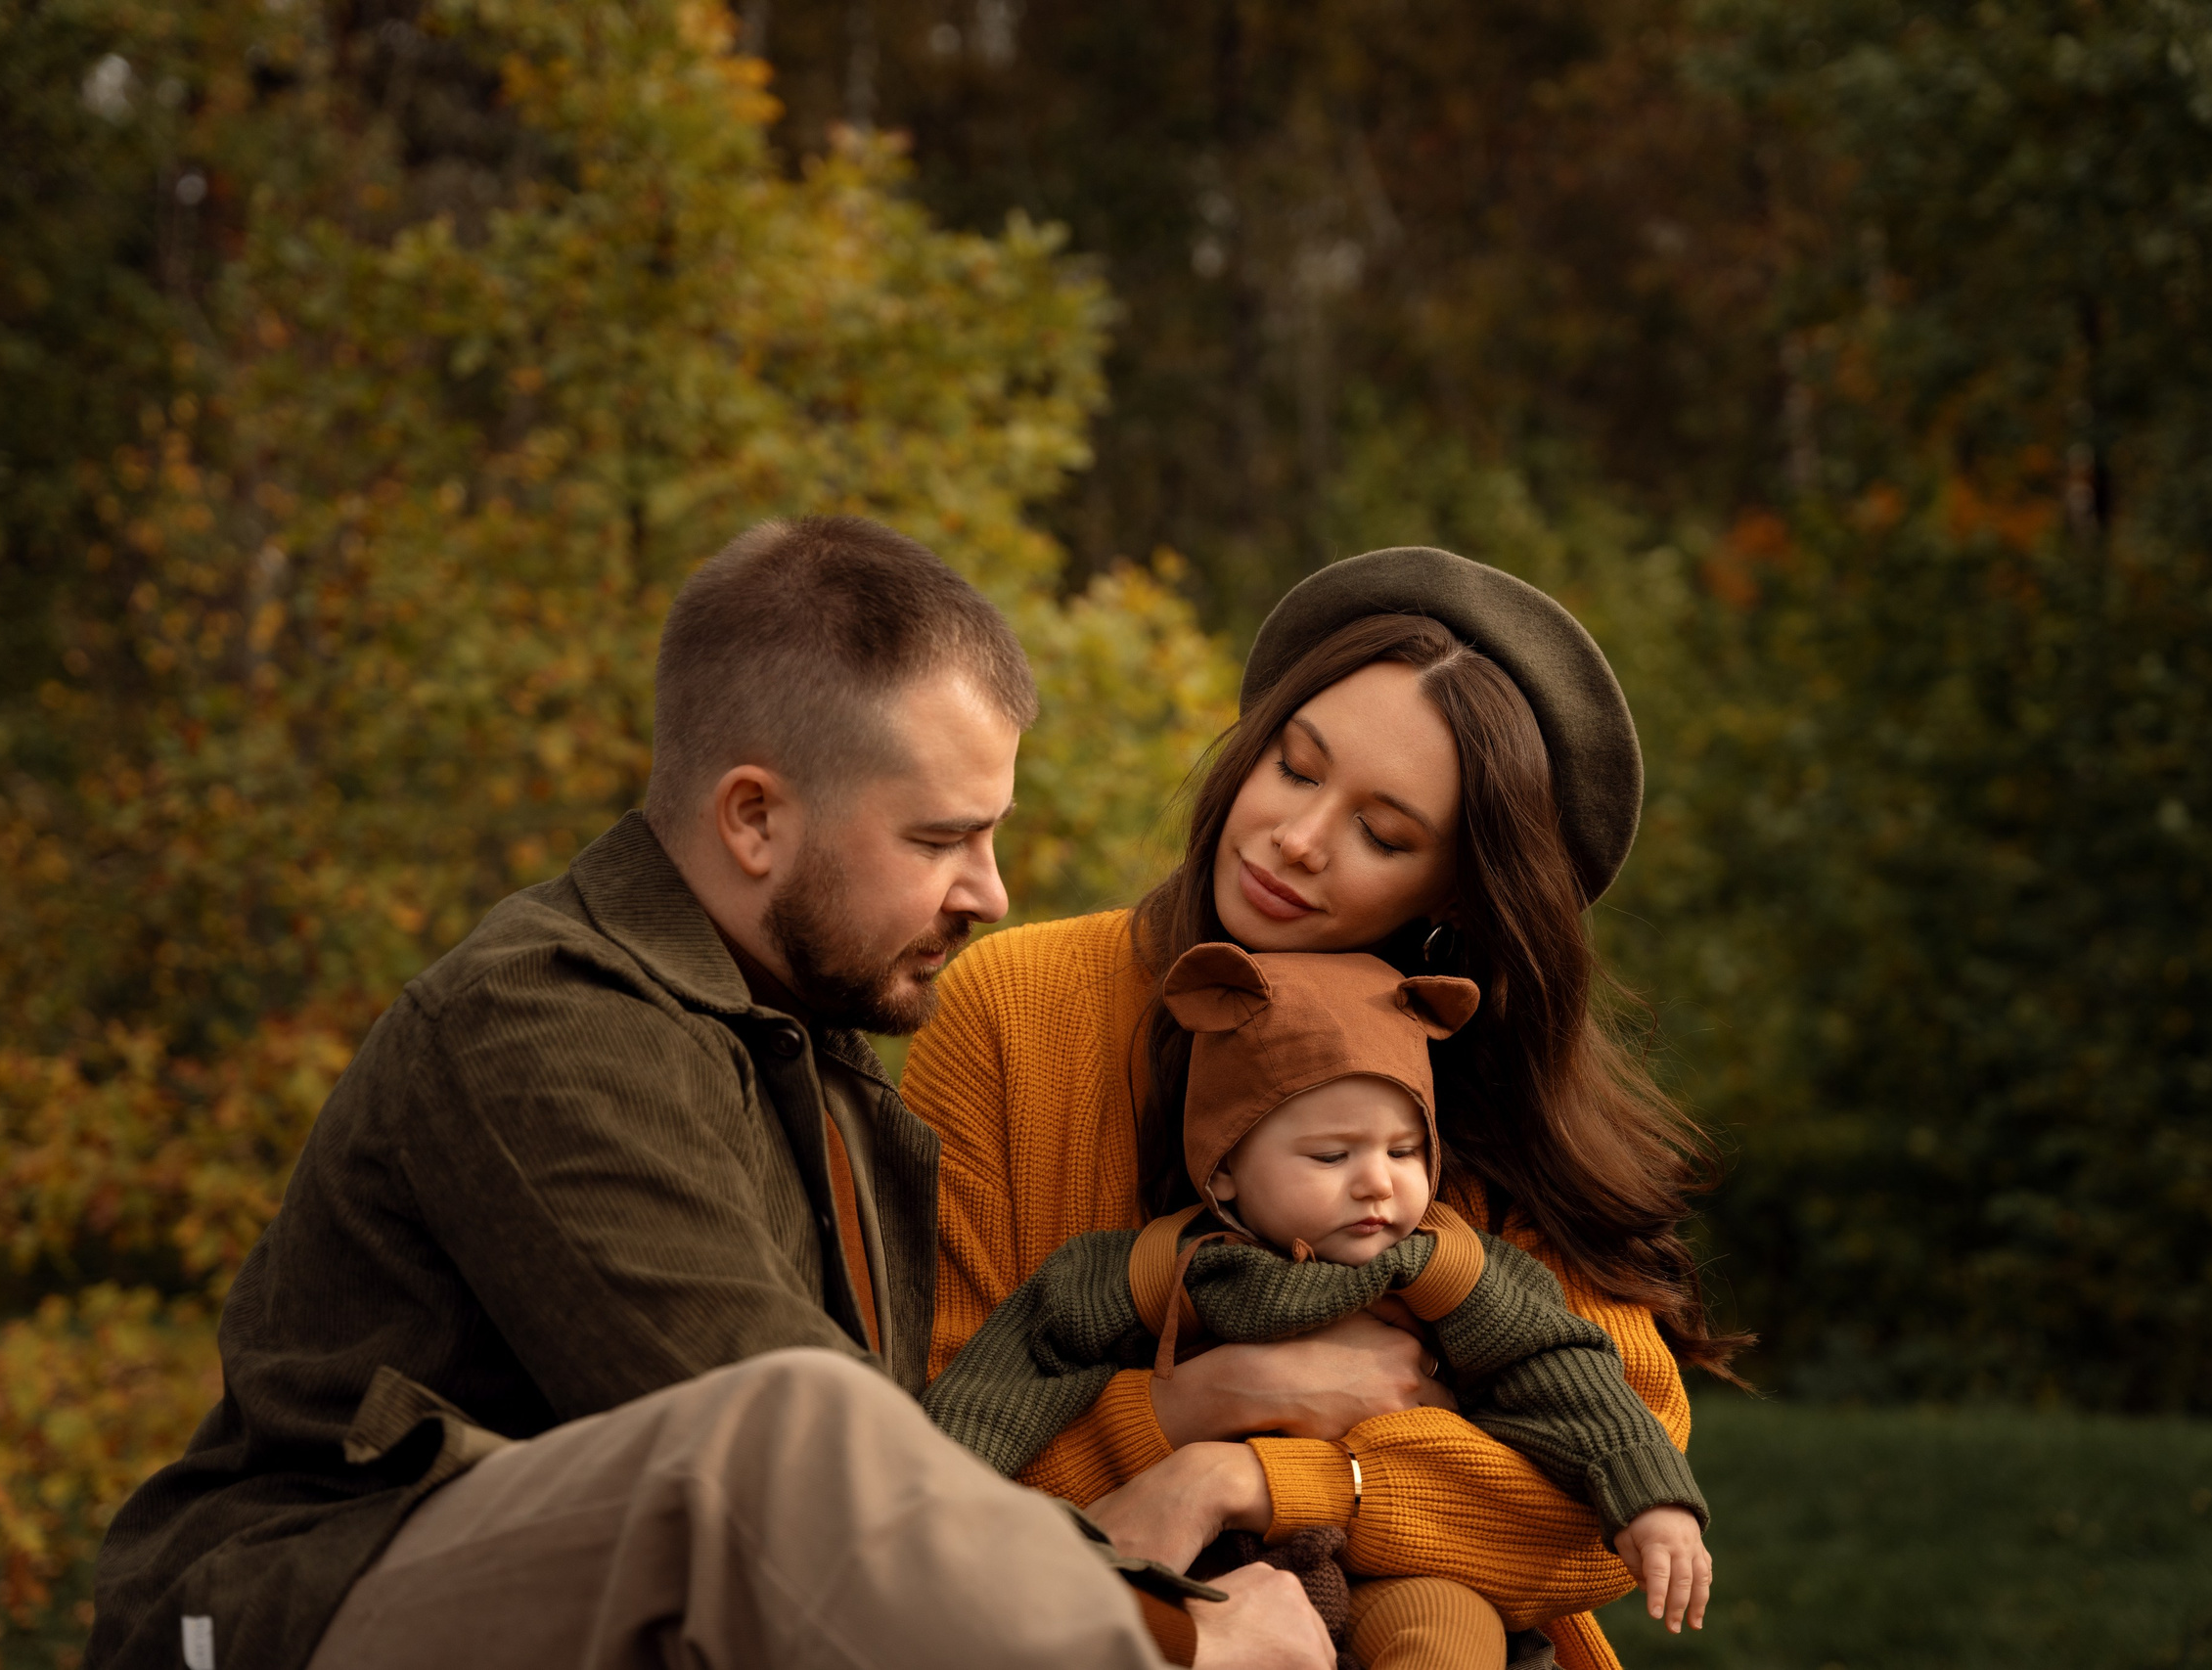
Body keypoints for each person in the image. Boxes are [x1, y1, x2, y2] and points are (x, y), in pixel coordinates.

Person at [84, 517, 1334, 1670]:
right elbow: (781, 1459)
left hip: (576, 1607)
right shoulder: (541, 1022)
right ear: (753, 820)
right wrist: (1174, 1636)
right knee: (786, 1423)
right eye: (940, 839)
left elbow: (900, 1495)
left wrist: (1172, 1501)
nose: (990, 893)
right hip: (279, 1620)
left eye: (991, 837)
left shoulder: (806, 1057)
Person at [903, 546, 1751, 1670]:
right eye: (1296, 770)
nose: (1296, 840)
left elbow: (1603, 1503)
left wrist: (1251, 1475)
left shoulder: (1476, 1067)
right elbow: (928, 1460)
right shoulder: (1014, 1010)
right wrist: (1206, 1402)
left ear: (1457, 888)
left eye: (1383, 835)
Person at [922, 942, 1713, 1670]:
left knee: (1446, 1630)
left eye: (1404, 1151)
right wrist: (946, 1469)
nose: (1377, 1181)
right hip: (1197, 1559)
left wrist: (1649, 1495)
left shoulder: (1447, 1268)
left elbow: (1560, 1365)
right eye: (1332, 1155)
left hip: (1390, 1561)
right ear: (1225, 1168)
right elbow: (1019, 1356)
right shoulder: (1167, 1267)